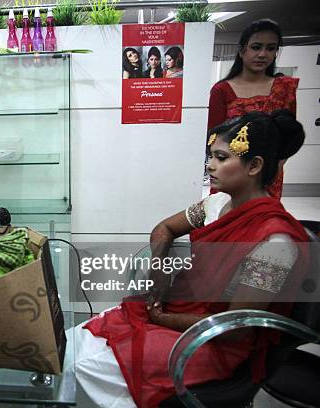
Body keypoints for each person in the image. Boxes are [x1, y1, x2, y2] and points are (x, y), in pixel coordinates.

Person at [73, 110, 308, 408]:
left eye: (222, 158)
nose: (210, 165)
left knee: (91, 363)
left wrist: (162, 318)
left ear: (254, 165)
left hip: (214, 343)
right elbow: (165, 229)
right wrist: (158, 267)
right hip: (184, 312)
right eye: (210, 156)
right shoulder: (216, 204)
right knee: (82, 339)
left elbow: (236, 330)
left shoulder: (275, 244)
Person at [208, 19, 297, 199]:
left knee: (262, 221)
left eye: (271, 48)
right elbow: (213, 138)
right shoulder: (222, 90)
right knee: (224, 218)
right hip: (230, 173)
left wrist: (272, 168)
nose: (263, 54)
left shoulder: (283, 88)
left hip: (270, 173)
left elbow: (290, 135)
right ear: (242, 51)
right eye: (256, 47)